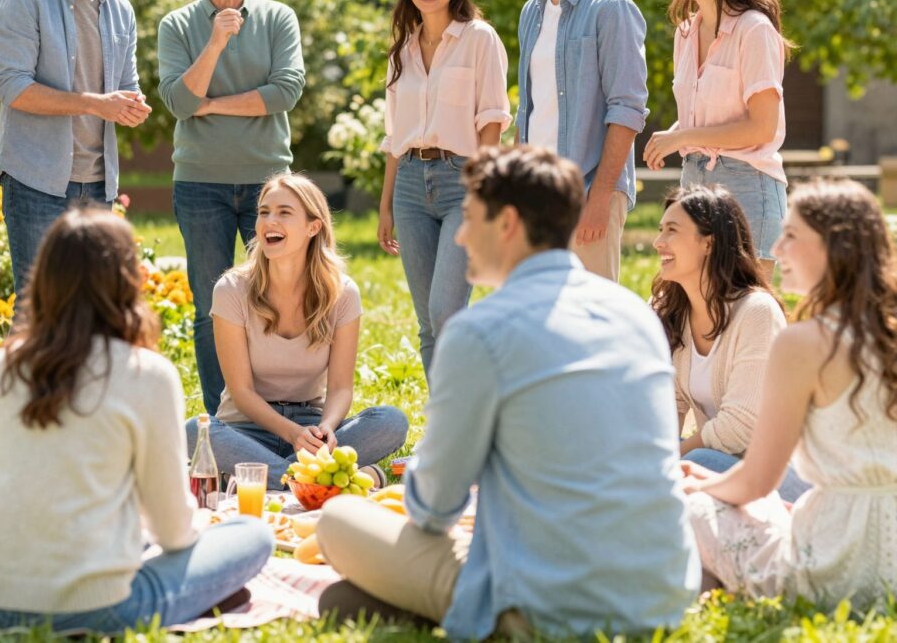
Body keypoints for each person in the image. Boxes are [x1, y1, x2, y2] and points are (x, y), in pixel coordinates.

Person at [317, 146, 699, 639]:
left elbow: (434, 509)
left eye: (470, 217)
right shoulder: (636, 316)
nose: (459, 234)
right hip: (659, 593)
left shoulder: (481, 331)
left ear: (509, 223)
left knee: (339, 520)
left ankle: (483, 614)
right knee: (344, 598)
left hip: (551, 602)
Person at [0, 208, 273, 633]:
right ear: (128, 280)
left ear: (45, 279)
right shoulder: (145, 373)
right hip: (93, 607)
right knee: (252, 537)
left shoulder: (9, 363)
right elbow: (173, 531)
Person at [685, 179, 897, 603]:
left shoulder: (803, 343)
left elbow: (757, 482)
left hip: (832, 563)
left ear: (836, 246)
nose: (777, 249)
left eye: (792, 235)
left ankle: (703, 606)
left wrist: (695, 488)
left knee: (689, 507)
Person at [157, 0, 305, 415]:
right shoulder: (177, 25)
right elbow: (178, 103)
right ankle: (224, 419)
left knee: (277, 298)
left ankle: (274, 410)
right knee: (210, 308)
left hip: (270, 184)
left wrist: (212, 104)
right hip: (201, 184)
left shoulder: (279, 17)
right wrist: (217, 40)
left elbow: (286, 91)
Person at [184, 174, 409, 489]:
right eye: (264, 212)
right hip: (246, 429)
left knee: (391, 421)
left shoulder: (343, 293)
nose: (268, 221)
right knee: (195, 431)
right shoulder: (232, 289)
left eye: (284, 213)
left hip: (311, 426)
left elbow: (341, 388)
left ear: (313, 227)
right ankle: (318, 481)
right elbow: (242, 392)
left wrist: (327, 431)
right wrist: (291, 434)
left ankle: (265, 477)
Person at [0, 0, 150, 298]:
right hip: (36, 182)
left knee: (95, 313)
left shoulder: (121, 9)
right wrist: (96, 104)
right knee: (38, 312)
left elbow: (126, 86)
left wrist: (132, 104)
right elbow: (13, 87)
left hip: (99, 186)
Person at [376, 0, 511, 375]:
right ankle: (445, 432)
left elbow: (491, 119)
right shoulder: (402, 49)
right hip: (411, 187)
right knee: (427, 323)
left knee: (446, 313)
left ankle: (470, 417)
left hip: (462, 183)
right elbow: (396, 136)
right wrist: (385, 205)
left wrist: (481, 195)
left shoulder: (480, 39)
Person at [645, 0, 792, 268]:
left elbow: (761, 127)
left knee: (744, 310)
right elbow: (713, 115)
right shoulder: (685, 33)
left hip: (747, 183)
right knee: (695, 309)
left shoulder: (753, 30)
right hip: (693, 181)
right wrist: (678, 133)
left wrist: (682, 138)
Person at [516, 0, 648, 282]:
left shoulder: (611, 8)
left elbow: (627, 108)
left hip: (589, 190)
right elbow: (532, 106)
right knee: (537, 323)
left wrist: (601, 197)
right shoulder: (531, 13)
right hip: (535, 194)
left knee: (589, 323)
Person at [652, 186, 807, 502]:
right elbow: (668, 408)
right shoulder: (674, 315)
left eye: (672, 230)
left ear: (708, 243)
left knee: (692, 465)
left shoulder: (756, 312)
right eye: (659, 230)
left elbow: (740, 428)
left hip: (775, 476)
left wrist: (667, 461)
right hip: (724, 466)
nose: (658, 242)